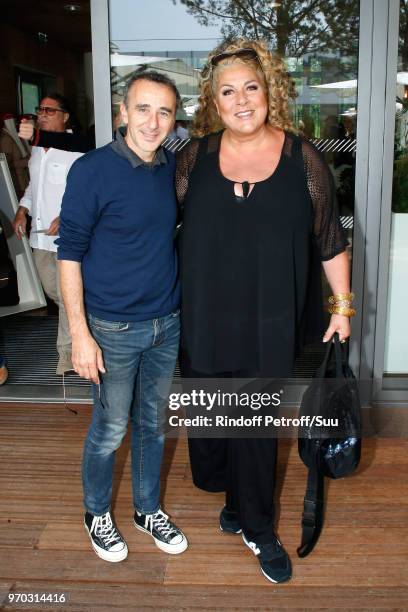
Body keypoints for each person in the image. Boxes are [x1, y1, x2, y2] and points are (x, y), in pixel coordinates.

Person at [176, 39, 353, 584]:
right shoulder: (193, 158)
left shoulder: (304, 158)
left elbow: (329, 239)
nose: (241, 99)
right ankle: (234, 499)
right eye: (228, 91)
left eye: (251, 87)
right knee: (210, 432)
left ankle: (259, 525)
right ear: (214, 100)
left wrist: (342, 308)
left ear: (268, 92)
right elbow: (157, 228)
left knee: (252, 423)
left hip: (266, 320)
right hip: (200, 317)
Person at [57, 70, 188, 563]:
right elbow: (68, 253)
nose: (153, 122)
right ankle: (97, 513)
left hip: (165, 323)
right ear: (122, 112)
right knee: (110, 429)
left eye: (164, 111)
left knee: (153, 425)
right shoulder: (92, 170)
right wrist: (80, 335)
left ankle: (146, 509)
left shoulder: (168, 169)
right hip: (111, 329)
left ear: (174, 119)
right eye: (143, 108)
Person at [12, 94, 84, 375]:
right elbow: (34, 185)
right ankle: (88, 322)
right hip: (40, 236)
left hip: (68, 234)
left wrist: (68, 215)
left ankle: (67, 354)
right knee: (56, 293)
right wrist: (22, 209)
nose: (42, 114)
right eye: (39, 109)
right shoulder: (38, 148)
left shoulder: (77, 148)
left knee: (67, 296)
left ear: (65, 115)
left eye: (49, 110)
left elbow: (86, 190)